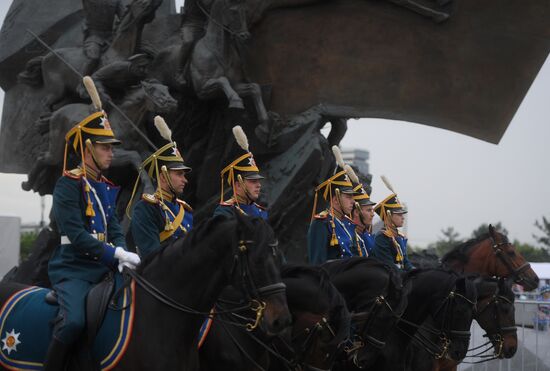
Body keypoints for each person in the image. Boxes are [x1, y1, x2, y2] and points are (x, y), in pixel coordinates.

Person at [44, 77, 141, 370]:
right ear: (88, 149)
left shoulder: (104, 187)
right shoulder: (67, 184)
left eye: (112, 148)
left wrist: (122, 253)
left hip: (104, 268)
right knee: (73, 322)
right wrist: (114, 254)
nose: (112, 152)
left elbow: (113, 227)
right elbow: (75, 233)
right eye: (106, 147)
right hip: (73, 268)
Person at [128, 116, 193, 259]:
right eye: (179, 174)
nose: (185, 180)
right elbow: (152, 256)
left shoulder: (185, 211)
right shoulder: (146, 208)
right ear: (163, 177)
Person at [307, 146, 366, 264]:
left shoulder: (349, 224)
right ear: (335, 200)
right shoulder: (321, 223)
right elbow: (318, 264)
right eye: (349, 197)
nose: (353, 202)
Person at [213, 125, 268, 220]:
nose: (259, 185)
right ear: (238, 185)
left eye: (258, 181)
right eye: (253, 181)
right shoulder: (224, 214)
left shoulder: (261, 212)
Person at [372, 177, 414, 271]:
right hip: (389, 279)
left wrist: (416, 272)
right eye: (399, 214)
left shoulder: (399, 236)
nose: (403, 217)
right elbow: (389, 265)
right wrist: (406, 275)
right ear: (389, 216)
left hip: (400, 276)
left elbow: (405, 262)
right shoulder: (382, 237)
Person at [345, 165, 376, 256]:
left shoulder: (368, 236)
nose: (373, 214)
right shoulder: (348, 234)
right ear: (356, 212)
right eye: (369, 210)